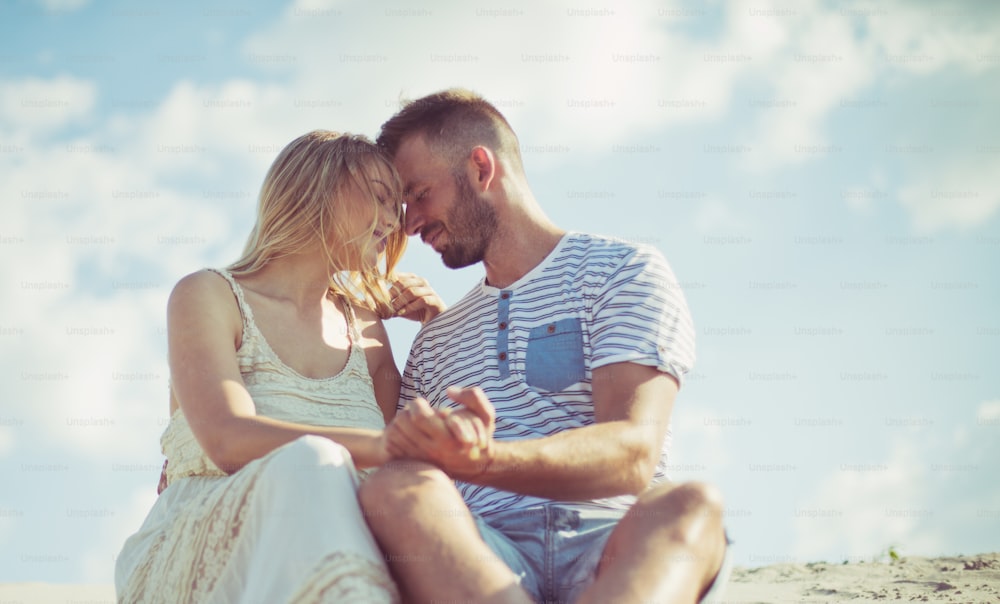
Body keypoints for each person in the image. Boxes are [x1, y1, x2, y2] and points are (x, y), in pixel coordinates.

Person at [358, 90, 731, 604]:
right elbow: (400, 469)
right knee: (392, 490)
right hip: (479, 553)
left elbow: (633, 452)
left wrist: (483, 459)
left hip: (611, 544)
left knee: (690, 504)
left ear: (481, 168)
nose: (410, 222)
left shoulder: (622, 272)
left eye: (419, 194)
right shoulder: (433, 340)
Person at [114, 130, 468, 603]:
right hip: (212, 552)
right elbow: (228, 439)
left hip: (336, 547)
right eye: (382, 200)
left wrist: (437, 328)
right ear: (313, 189)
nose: (394, 223)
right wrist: (381, 445)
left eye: (397, 208)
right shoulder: (210, 296)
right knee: (312, 460)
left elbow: (404, 462)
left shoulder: (366, 329)